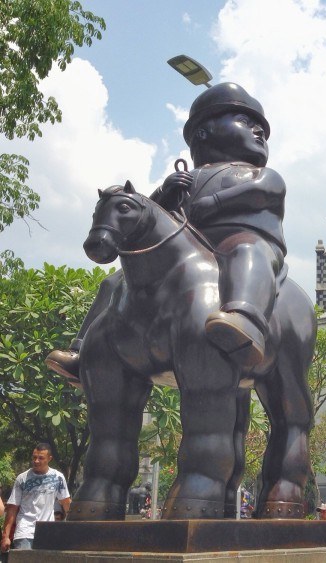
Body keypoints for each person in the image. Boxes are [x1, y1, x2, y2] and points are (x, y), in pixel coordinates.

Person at [46, 82, 286, 379]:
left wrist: (214, 202)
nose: (259, 132)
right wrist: (164, 193)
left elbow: (266, 191)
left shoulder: (258, 174)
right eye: (247, 122)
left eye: (260, 127)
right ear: (203, 133)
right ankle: (83, 351)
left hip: (244, 240)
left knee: (246, 252)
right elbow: (152, 219)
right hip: (193, 252)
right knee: (113, 282)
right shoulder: (187, 177)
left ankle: (245, 320)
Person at [1, 443, 71, 552]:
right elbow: (12, 508)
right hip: (25, 531)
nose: (36, 461)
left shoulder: (58, 477)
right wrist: (5, 537)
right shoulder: (22, 478)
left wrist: (73, 530)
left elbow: (66, 503)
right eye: (34, 457)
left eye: (41, 458)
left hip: (47, 531)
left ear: (49, 459)